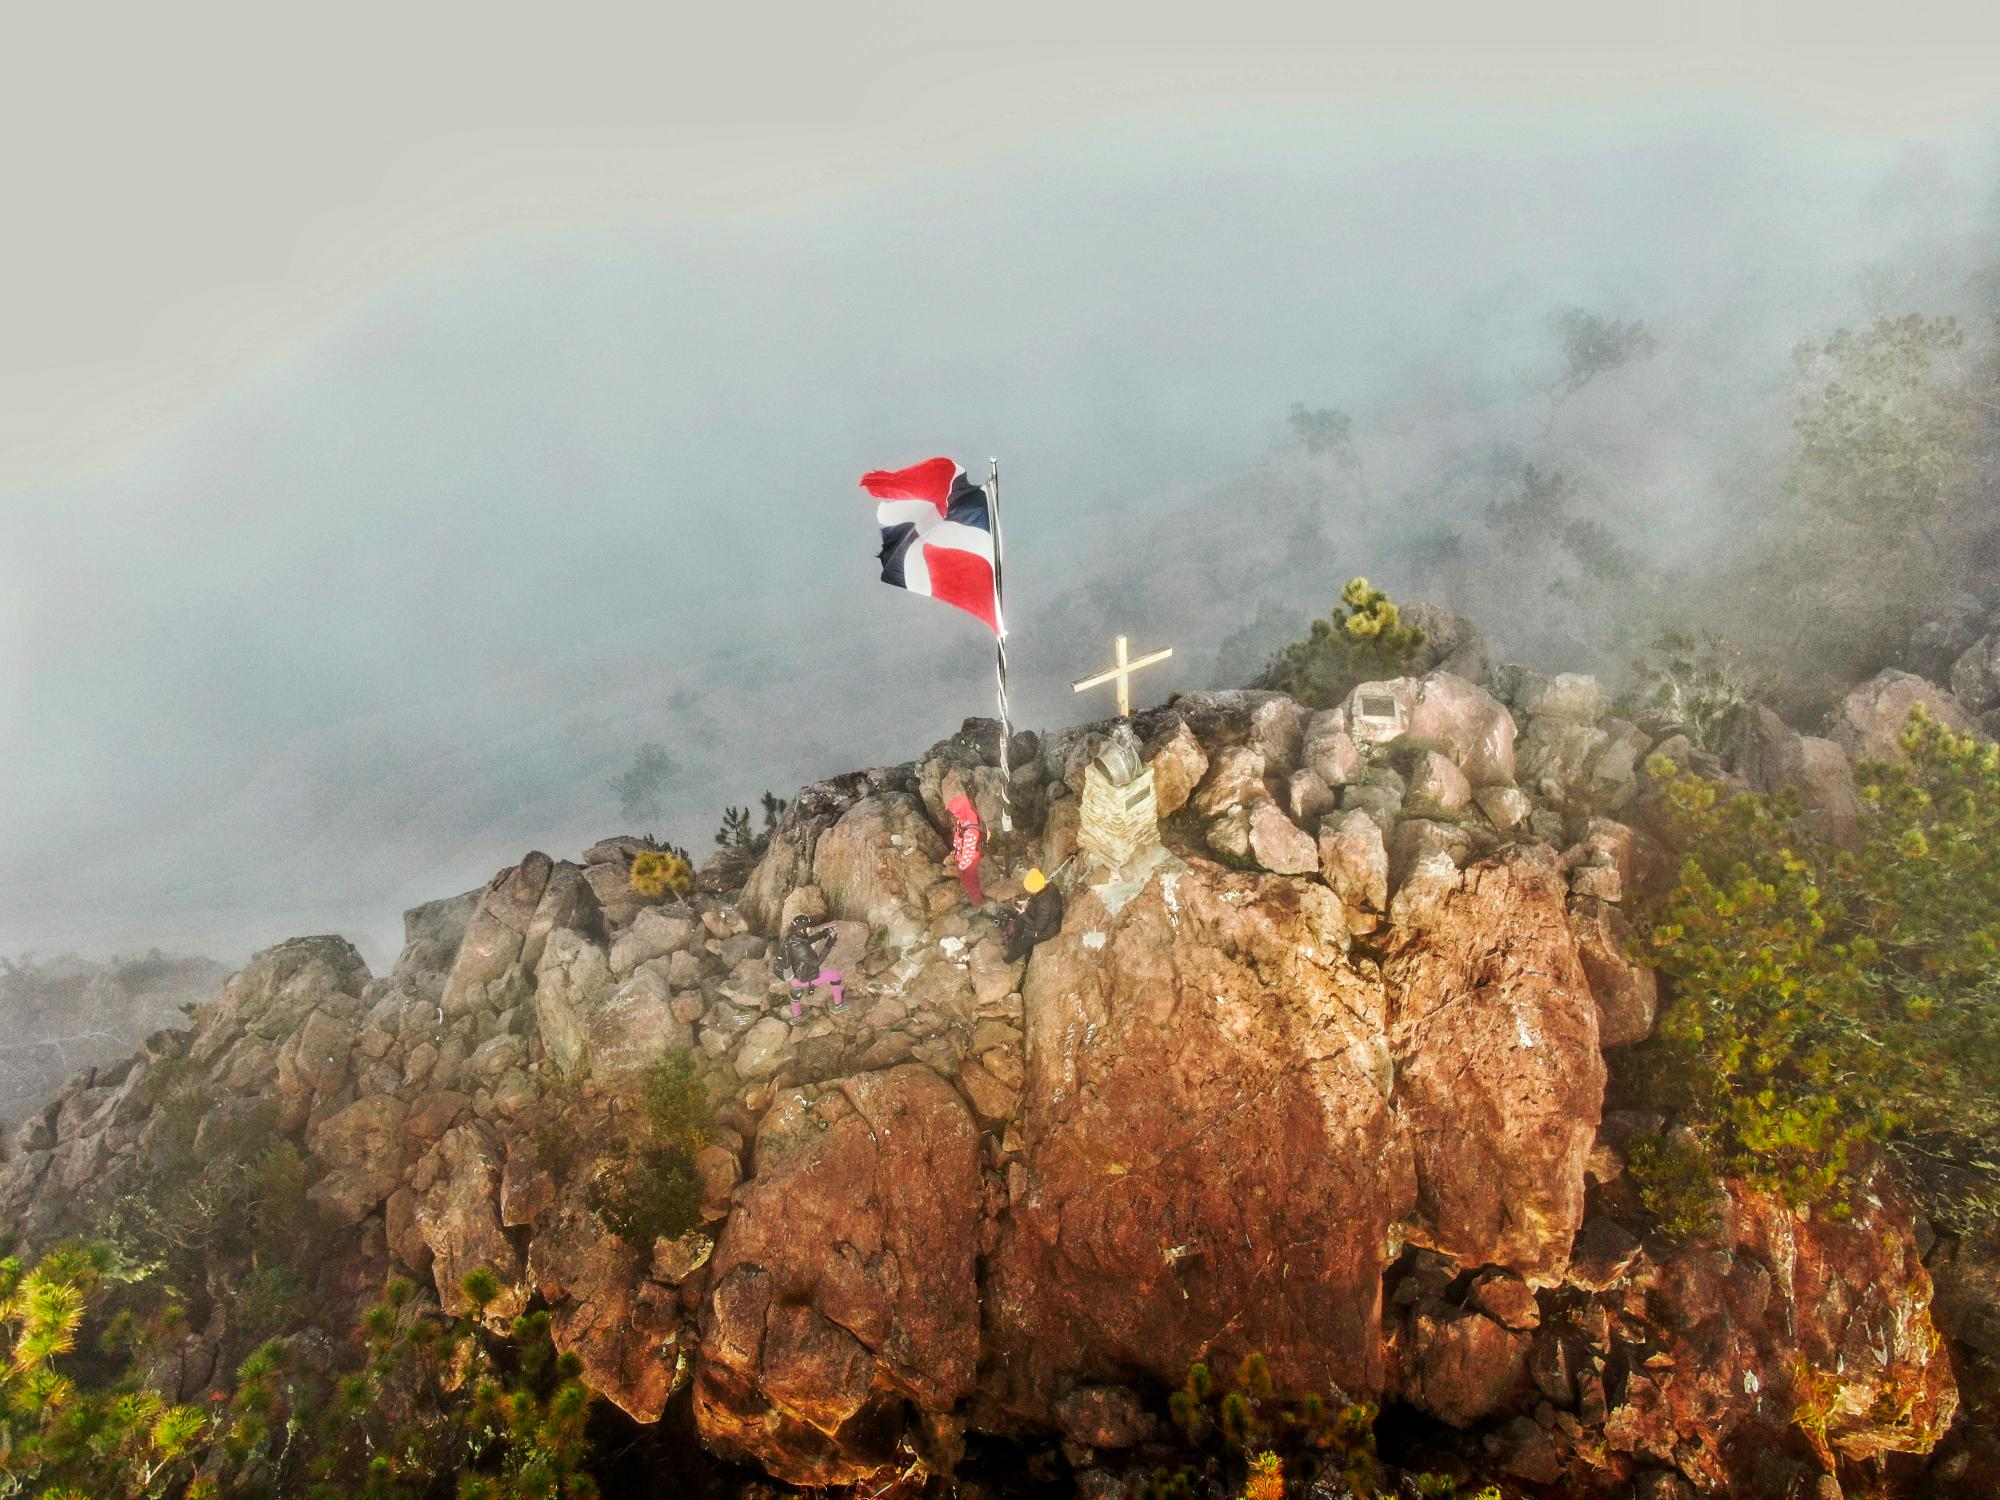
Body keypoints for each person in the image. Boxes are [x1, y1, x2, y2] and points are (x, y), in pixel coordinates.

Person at [774, 914, 845, 1018]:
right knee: (835, 975)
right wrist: (829, 945)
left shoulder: (791, 939)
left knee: (796, 993)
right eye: (808, 927)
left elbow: (806, 942)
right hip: (805, 979)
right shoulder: (802, 949)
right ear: (802, 929)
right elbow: (817, 962)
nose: (809, 929)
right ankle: (839, 1005)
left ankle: (796, 1016)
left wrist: (821, 934)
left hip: (793, 978)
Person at [1002, 866, 1066, 962]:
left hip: (1047, 930)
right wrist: (1028, 903)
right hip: (1042, 917)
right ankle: (1014, 938)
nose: (1029, 891)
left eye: (1031, 889)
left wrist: (1024, 914)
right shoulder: (1049, 886)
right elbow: (1037, 898)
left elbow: (1039, 927)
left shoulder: (1044, 905)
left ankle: (1008, 959)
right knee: (1019, 920)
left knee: (1023, 941)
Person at [945, 793, 985, 905]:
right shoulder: (966, 815)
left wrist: (961, 867)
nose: (954, 814)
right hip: (963, 854)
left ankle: (977, 902)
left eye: (956, 812)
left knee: (970, 882)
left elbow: (969, 852)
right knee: (970, 880)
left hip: (971, 860)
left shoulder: (971, 830)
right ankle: (976, 896)